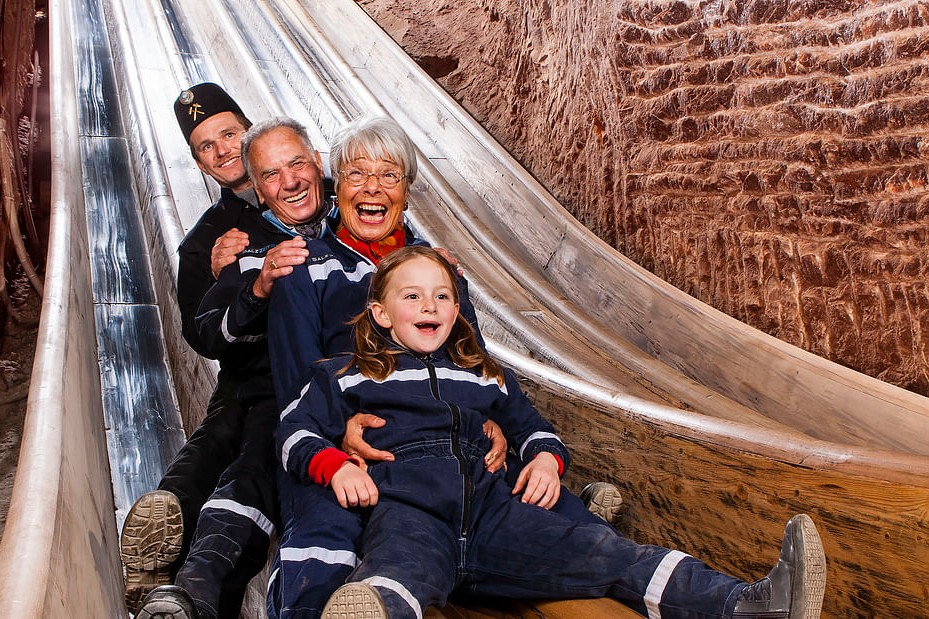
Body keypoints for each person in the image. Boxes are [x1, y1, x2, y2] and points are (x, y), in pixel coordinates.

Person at [280, 246, 827, 619]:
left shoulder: (484, 374)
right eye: (412, 296)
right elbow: (293, 432)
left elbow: (535, 429)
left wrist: (545, 461)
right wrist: (336, 465)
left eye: (442, 295)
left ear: (456, 309)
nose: (430, 305)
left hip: (495, 514)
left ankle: (749, 605)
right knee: (396, 576)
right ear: (379, 312)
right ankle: (369, 609)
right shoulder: (347, 373)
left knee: (609, 555)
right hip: (410, 511)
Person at [264, 116, 624, 618]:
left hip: (440, 440)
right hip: (346, 440)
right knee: (328, 524)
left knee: (506, 483)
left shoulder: (441, 270)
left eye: (389, 175)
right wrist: (339, 431)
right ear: (335, 187)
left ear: (407, 193)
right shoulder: (305, 265)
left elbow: (469, 362)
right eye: (356, 174)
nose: (372, 188)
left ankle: (582, 529)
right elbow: (297, 388)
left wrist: (491, 423)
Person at [122, 84, 330, 619]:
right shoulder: (207, 240)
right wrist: (229, 281)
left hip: (310, 369)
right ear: (197, 162)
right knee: (229, 426)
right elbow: (202, 333)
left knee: (255, 447)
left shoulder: (313, 194)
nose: (221, 150)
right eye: (205, 146)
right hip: (248, 368)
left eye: (229, 134)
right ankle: (165, 536)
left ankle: (191, 573)